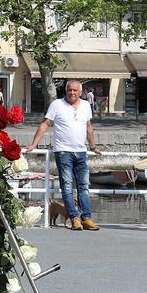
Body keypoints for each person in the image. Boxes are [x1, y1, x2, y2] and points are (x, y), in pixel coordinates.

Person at [28, 79, 103, 230]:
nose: (72, 93)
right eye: (69, 90)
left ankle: (86, 218)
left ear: (80, 92)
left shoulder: (86, 105)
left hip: (81, 151)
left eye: (75, 90)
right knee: (67, 186)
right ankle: (74, 218)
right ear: (66, 91)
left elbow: (89, 127)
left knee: (84, 186)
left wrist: (93, 146)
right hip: (63, 151)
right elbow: (45, 124)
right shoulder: (57, 104)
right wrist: (34, 144)